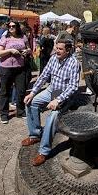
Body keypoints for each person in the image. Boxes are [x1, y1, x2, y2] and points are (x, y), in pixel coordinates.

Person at [21, 37, 80, 167]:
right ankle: (35, 134)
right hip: (51, 90)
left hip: (65, 96)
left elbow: (73, 87)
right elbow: (43, 76)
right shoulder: (53, 58)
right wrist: (32, 93)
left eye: (60, 49)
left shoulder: (74, 63)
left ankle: (44, 151)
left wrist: (58, 100)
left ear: (68, 50)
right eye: (56, 48)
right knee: (31, 103)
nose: (57, 51)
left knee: (52, 117)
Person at [0, 20, 32, 123]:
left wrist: (27, 51)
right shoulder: (4, 38)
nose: (11, 27)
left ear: (17, 27)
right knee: (5, 91)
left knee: (21, 90)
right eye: (9, 26)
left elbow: (29, 48)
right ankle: (4, 114)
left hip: (20, 67)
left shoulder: (23, 37)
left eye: (13, 26)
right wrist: (10, 50)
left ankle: (20, 111)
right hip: (6, 68)